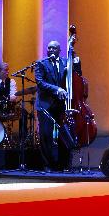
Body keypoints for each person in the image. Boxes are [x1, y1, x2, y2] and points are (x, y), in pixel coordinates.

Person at [34, 40, 81, 172]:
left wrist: (75, 58)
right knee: (46, 135)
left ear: (59, 50)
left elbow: (77, 74)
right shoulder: (41, 63)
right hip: (45, 104)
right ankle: (47, 165)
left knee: (64, 134)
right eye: (49, 48)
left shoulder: (65, 62)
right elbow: (40, 82)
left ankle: (63, 164)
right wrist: (57, 89)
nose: (50, 50)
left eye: (54, 48)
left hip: (61, 104)